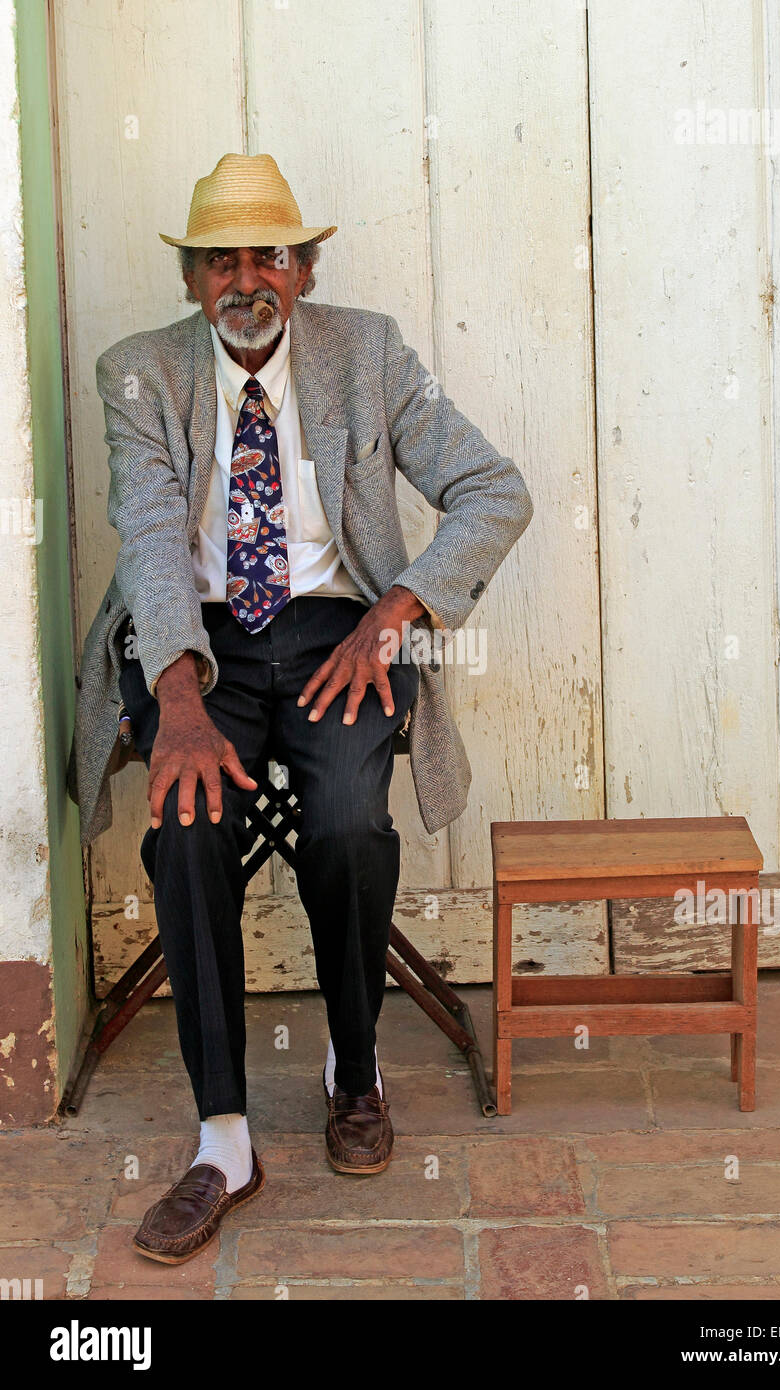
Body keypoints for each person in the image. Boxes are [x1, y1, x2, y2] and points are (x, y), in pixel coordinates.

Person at [67, 152, 534, 1263]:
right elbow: (147, 535)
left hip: (338, 633)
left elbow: (492, 489)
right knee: (183, 827)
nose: (245, 279)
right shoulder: (137, 372)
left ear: (305, 268)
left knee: (341, 823)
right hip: (200, 641)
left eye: (267, 255)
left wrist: (397, 615)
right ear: (190, 279)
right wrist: (173, 696)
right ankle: (222, 1136)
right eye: (219, 258)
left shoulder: (366, 354)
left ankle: (353, 1069)